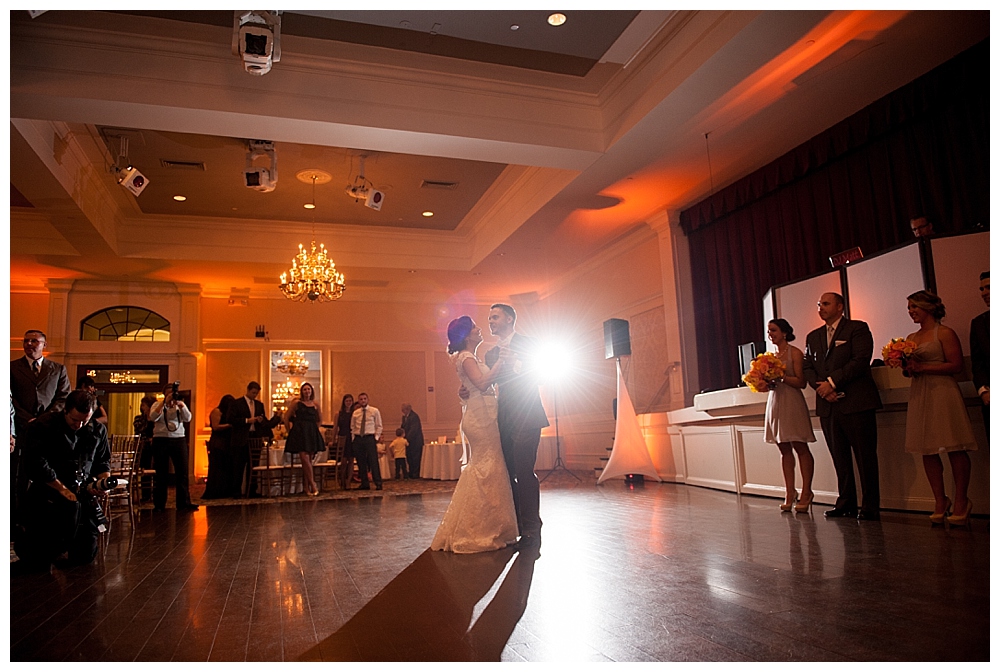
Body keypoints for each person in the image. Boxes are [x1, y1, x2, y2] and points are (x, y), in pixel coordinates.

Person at [431, 316, 518, 553]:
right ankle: (478, 529)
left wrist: (464, 392)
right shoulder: (467, 357)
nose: (480, 329)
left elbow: (470, 387)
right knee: (485, 469)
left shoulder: (469, 358)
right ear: (467, 335)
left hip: (483, 414)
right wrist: (502, 360)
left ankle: (489, 524)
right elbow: (481, 384)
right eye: (475, 328)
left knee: (488, 468)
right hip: (481, 418)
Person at [803, 292, 883, 521]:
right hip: (828, 406)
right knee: (840, 457)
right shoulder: (813, 336)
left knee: (865, 457)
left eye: (826, 304)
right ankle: (846, 502)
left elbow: (860, 360)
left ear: (840, 306)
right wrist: (821, 388)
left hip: (855, 402)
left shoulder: (857, 328)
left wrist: (832, 383)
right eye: (819, 304)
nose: (821, 308)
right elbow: (808, 367)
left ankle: (870, 506)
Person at [12, 390, 110, 572]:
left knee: (85, 557)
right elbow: (36, 464)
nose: (79, 425)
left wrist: (102, 484)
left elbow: (102, 462)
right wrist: (62, 489)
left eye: (84, 420)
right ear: (65, 411)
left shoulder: (97, 429)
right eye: (74, 420)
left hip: (82, 494)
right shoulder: (43, 426)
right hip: (49, 493)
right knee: (37, 560)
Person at [902, 291, 978, 525]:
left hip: (943, 391)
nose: (911, 311)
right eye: (909, 307)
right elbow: (911, 369)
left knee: (954, 445)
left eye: (914, 306)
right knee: (928, 449)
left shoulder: (945, 333)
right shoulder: (911, 336)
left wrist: (923, 367)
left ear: (928, 307)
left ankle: (962, 500)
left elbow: (956, 366)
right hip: (921, 392)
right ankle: (939, 499)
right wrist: (906, 366)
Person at [483, 303, 549, 549]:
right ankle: (516, 525)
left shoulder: (530, 343)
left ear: (509, 319)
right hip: (504, 420)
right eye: (489, 318)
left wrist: (518, 364)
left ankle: (532, 527)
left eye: (495, 317)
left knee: (524, 472)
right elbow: (488, 386)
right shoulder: (491, 354)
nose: (490, 321)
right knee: (508, 474)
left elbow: (542, 376)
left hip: (528, 416)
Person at [11, 329, 71, 519]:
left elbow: (63, 398)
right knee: (18, 474)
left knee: (47, 470)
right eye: (26, 341)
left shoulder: (58, 369)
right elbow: (9, 400)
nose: (29, 344)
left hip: (48, 430)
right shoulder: (11, 368)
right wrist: (25, 418)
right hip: (21, 428)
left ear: (44, 345)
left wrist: (44, 419)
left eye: (34, 341)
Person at [763, 319, 817, 513]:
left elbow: (802, 382)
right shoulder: (770, 356)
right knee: (784, 449)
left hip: (792, 401)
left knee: (800, 446)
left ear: (785, 332)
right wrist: (765, 382)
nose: (771, 334)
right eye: (769, 331)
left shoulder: (795, 353)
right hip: (776, 401)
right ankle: (789, 491)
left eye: (774, 330)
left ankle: (807, 491)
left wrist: (781, 377)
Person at [148, 383, 198, 512]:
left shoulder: (180, 405)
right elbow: (153, 417)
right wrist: (163, 403)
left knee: (182, 472)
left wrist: (181, 405)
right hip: (160, 439)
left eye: (173, 393)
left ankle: (183, 503)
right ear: (164, 394)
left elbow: (188, 418)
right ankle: (159, 504)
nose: (171, 395)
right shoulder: (156, 404)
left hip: (178, 439)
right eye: (169, 393)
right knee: (161, 473)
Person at [227, 381, 269, 497]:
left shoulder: (259, 405)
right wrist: (247, 421)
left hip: (255, 437)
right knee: (238, 465)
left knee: (253, 465)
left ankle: (252, 490)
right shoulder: (237, 403)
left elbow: (264, 421)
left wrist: (261, 420)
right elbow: (230, 419)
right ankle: (236, 491)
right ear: (248, 390)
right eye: (253, 392)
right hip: (240, 438)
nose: (254, 395)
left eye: (256, 393)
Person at [283, 382, 324, 496]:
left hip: (310, 433)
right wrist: (289, 431)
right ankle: (313, 484)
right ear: (302, 391)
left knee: (308, 462)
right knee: (304, 459)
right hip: (299, 433)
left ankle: (306, 488)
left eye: (309, 389)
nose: (307, 391)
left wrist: (314, 430)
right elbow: (286, 417)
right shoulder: (296, 403)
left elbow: (320, 419)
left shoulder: (316, 405)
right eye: (305, 389)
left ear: (311, 391)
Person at [201, 394, 235, 499]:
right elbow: (215, 427)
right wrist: (229, 425)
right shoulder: (217, 411)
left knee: (226, 467)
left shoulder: (228, 413)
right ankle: (215, 490)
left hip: (227, 442)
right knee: (217, 467)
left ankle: (225, 490)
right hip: (218, 442)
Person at [969, 271, 989, 438]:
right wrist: (984, 390)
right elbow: (978, 362)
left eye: (989, 287)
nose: (984, 293)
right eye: (982, 289)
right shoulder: (979, 323)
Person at [351, 392, 383, 491]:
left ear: (367, 400)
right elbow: (352, 426)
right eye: (361, 399)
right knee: (361, 462)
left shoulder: (374, 411)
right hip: (358, 438)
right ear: (358, 401)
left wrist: (376, 438)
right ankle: (364, 483)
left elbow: (379, 425)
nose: (363, 400)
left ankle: (378, 482)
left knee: (373, 461)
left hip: (369, 438)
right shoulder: (355, 413)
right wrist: (353, 438)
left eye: (364, 399)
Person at [133, 394, 157, 501]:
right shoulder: (139, 419)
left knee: (156, 469)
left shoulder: (156, 418)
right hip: (143, 447)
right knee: (144, 470)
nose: (143, 407)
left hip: (154, 446)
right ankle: (146, 495)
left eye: (145, 405)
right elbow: (140, 429)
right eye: (142, 405)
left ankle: (156, 493)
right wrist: (147, 418)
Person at [333, 394, 355, 489]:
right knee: (343, 461)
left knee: (351, 460)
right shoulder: (338, 413)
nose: (348, 403)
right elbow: (335, 427)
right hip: (342, 437)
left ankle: (348, 481)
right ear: (344, 402)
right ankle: (342, 479)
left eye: (350, 401)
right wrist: (333, 439)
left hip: (352, 437)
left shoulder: (355, 413)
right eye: (347, 401)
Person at [401, 402, 425, 479]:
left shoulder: (414, 417)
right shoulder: (404, 417)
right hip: (408, 442)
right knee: (410, 457)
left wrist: (406, 438)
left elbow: (413, 430)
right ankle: (411, 472)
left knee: (415, 458)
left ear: (407, 409)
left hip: (415, 441)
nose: (402, 411)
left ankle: (415, 473)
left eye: (403, 410)